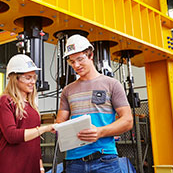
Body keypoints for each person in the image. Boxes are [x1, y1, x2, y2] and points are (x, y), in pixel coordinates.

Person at [56, 34, 133, 173]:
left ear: (91, 55)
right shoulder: (67, 90)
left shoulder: (112, 85)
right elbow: (59, 123)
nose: (76, 65)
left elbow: (127, 120)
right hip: (74, 162)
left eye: (80, 59)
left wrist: (99, 132)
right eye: (72, 62)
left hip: (105, 160)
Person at [0, 54, 55, 173]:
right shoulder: (5, 101)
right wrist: (44, 129)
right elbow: (12, 135)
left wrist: (40, 165)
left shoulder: (31, 105)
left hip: (31, 167)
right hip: (10, 167)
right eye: (28, 78)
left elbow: (35, 142)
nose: (33, 82)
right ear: (15, 78)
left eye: (34, 77)